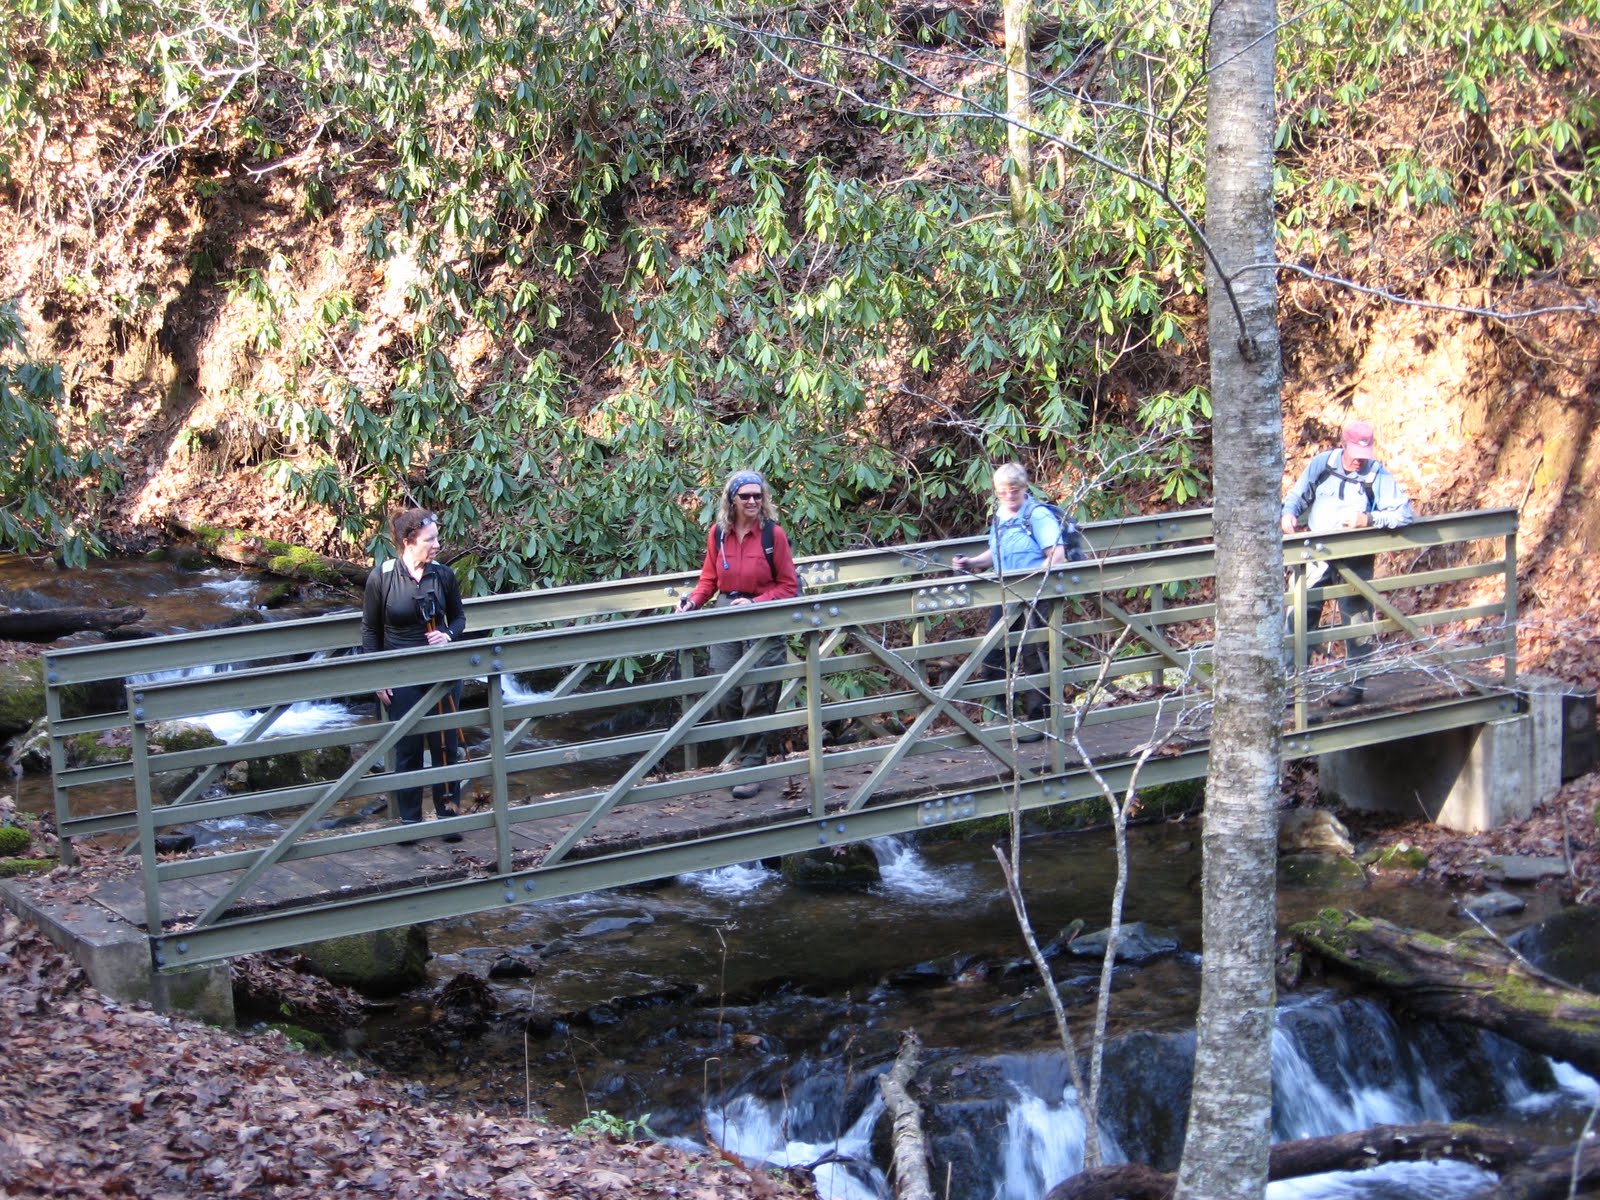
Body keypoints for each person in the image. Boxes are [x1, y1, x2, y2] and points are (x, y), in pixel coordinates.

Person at [676, 469, 800, 799]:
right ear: (732, 499)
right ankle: (742, 753)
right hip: (727, 616)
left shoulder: (774, 535)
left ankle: (752, 765)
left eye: (757, 495)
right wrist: (693, 602)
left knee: (758, 693)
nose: (752, 501)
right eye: (745, 496)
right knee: (723, 692)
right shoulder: (718, 533)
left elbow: (789, 587)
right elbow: (709, 580)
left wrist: (756, 602)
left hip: (763, 618)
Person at [1280, 419, 1415, 707]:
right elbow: (1298, 495)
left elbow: (1404, 514)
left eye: (1363, 455)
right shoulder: (1323, 464)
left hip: (1355, 557)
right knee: (1299, 615)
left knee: (1356, 621)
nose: (1358, 461)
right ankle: (1292, 687)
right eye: (1354, 454)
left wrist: (1369, 520)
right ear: (1343, 445)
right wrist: (1289, 513)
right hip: (1315, 555)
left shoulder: (1377, 474)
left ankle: (1355, 688)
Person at [361, 508, 468, 841]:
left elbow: (460, 618)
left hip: (441, 672)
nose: (437, 544)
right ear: (409, 542)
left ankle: (447, 818)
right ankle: (409, 823)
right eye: (430, 539)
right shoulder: (382, 577)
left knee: (446, 747)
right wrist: (377, 676)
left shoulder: (443, 575)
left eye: (437, 537)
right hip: (401, 672)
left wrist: (448, 634)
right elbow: (370, 630)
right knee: (407, 748)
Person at [951, 462, 1066, 741]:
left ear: (1024, 488)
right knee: (993, 656)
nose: (1008, 496)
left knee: (1034, 657)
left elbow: (1057, 555)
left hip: (1035, 596)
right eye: (1002, 492)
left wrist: (1033, 577)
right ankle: (1001, 719)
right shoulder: (1000, 515)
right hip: (1006, 595)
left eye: (1013, 491)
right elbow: (995, 551)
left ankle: (1040, 724)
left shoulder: (1037, 516)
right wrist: (972, 563)